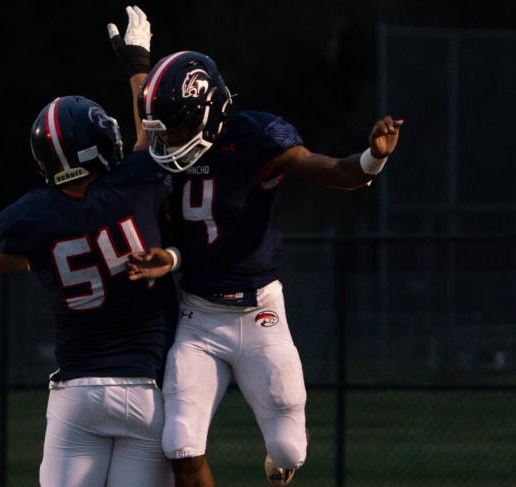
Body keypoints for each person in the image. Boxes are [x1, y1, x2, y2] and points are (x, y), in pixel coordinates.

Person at [111, 12, 403, 486]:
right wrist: (137, 62)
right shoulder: (174, 142)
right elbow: (151, 124)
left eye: (177, 130)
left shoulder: (256, 141)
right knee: (179, 443)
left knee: (289, 450)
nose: (166, 141)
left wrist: (373, 157)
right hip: (198, 316)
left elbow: (337, 172)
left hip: (258, 311)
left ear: (208, 115)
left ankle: (279, 463)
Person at [0, 93, 178, 486]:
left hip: (78, 394)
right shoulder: (134, 183)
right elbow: (145, 136)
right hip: (146, 387)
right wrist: (138, 64)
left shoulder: (35, 216)